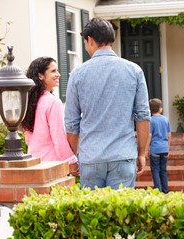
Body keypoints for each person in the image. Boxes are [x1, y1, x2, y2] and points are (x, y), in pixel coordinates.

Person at [64, 17, 151, 190]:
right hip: (123, 154)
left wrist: (74, 156)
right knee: (120, 215)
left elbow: (72, 124)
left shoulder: (77, 74)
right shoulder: (134, 70)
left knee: (92, 214)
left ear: (90, 40)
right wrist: (141, 153)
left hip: (91, 157)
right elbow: (142, 117)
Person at [21, 57, 79, 176]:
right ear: (40, 76)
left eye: (57, 70)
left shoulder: (27, 102)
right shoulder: (53, 102)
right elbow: (58, 137)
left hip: (34, 163)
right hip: (52, 165)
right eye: (53, 71)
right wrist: (72, 161)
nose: (58, 74)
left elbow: (28, 138)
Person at [147, 98, 172, 193]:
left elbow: (150, 135)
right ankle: (165, 191)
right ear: (160, 109)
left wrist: (146, 149)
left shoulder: (151, 120)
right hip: (164, 148)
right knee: (163, 171)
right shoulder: (166, 119)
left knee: (155, 171)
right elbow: (169, 134)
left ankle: (158, 191)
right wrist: (168, 148)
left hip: (155, 149)